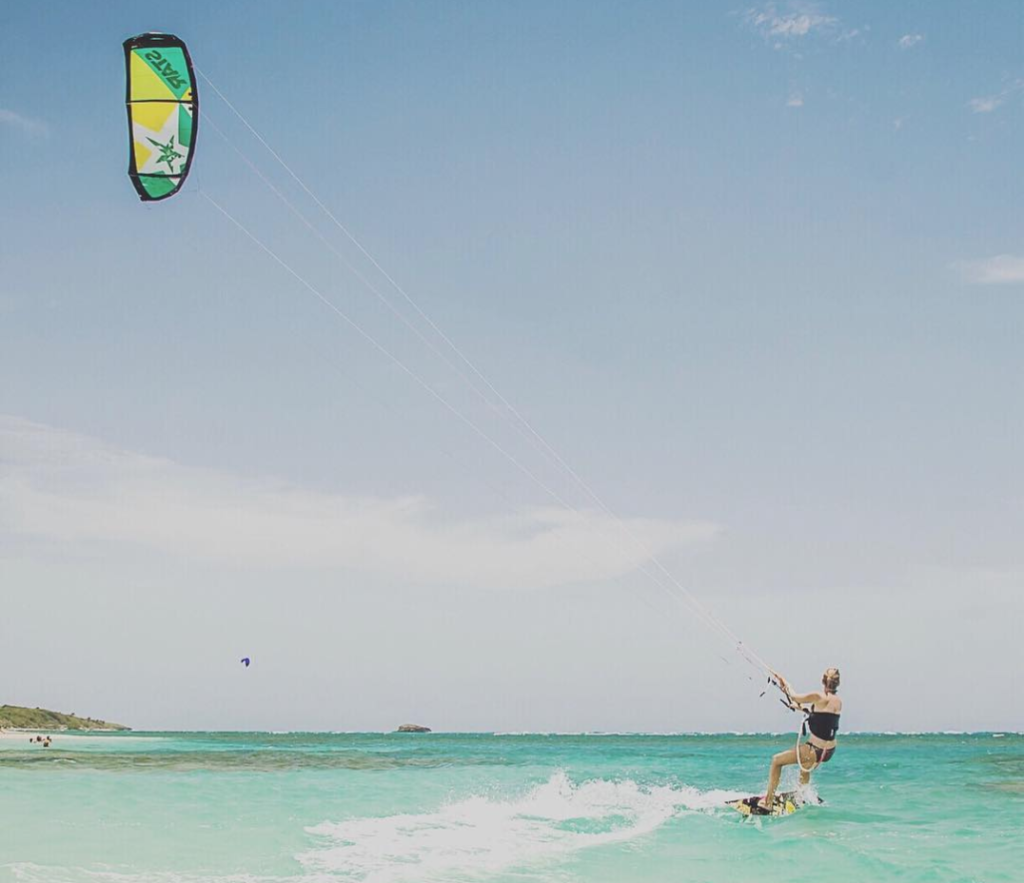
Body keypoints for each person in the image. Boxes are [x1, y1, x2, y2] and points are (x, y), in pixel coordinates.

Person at [758, 667, 842, 813]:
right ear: (837, 683)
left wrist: (786, 683)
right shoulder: (838, 702)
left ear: (823, 680)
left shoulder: (818, 696)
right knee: (806, 764)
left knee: (776, 761)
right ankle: (802, 794)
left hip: (815, 750)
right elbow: (823, 719)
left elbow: (795, 696)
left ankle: (768, 803)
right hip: (829, 751)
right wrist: (801, 709)